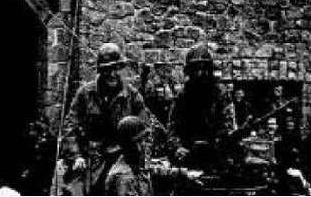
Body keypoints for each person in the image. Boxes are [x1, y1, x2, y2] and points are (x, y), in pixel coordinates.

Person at [63, 43, 148, 195]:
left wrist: (138, 158)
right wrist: (76, 156)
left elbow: (145, 131)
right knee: (72, 190)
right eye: (107, 69)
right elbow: (70, 126)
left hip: (121, 158)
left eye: (116, 68)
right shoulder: (85, 93)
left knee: (126, 185)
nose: (112, 74)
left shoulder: (132, 96)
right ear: (101, 71)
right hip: (90, 158)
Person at [166, 42, 237, 173]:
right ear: (190, 71)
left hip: (216, 155)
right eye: (196, 69)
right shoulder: (182, 95)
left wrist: (218, 144)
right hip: (188, 156)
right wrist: (177, 147)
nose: (200, 73)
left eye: (203, 68)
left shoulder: (220, 93)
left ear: (209, 70)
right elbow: (173, 128)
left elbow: (228, 125)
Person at [105, 116, 151, 196]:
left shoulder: (134, 169)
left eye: (145, 140)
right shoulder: (124, 178)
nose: (145, 145)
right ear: (130, 145)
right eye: (140, 141)